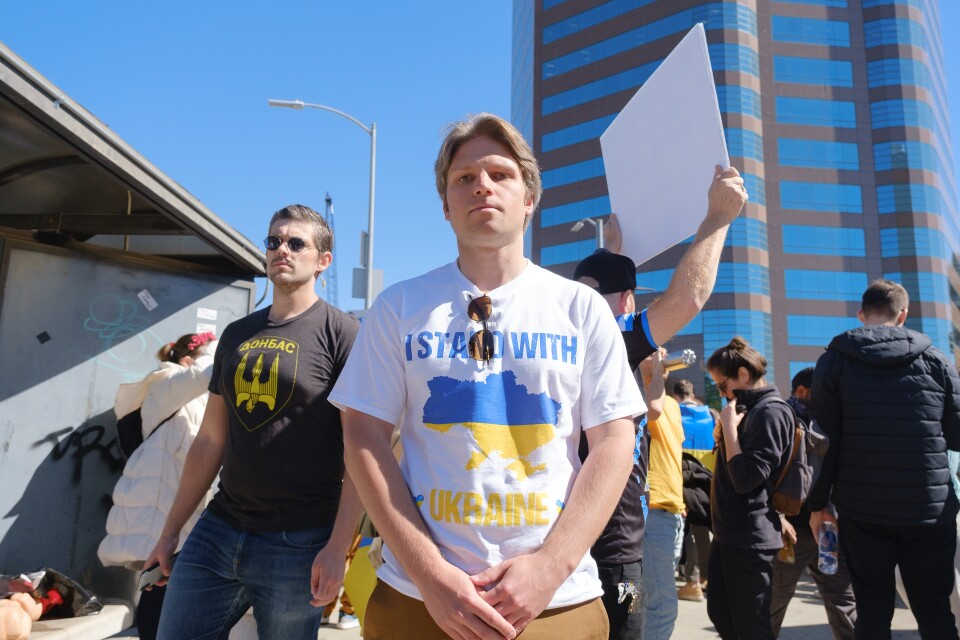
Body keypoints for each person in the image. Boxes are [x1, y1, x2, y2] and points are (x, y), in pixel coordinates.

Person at [329, 112, 748, 640]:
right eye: (464, 178)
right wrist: (430, 574)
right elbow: (363, 436)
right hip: (418, 600)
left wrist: (550, 567)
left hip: (556, 603)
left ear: (529, 198)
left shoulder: (581, 309)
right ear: (445, 205)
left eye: (500, 174)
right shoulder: (398, 308)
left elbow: (615, 440)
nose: (481, 184)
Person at [145, 204, 362, 640]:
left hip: (298, 542)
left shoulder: (343, 333)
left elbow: (361, 452)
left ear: (323, 261)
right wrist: (170, 532)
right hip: (218, 529)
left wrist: (338, 547)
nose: (282, 249)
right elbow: (209, 440)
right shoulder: (236, 334)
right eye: (274, 241)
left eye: (296, 243)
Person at [570, 161, 748, 639]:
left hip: (566, 537)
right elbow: (688, 298)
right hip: (610, 545)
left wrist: (611, 253)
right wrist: (719, 218)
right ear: (628, 300)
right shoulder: (609, 335)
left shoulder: (564, 332)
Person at [808, 279, 960, 639]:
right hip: (929, 509)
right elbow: (956, 436)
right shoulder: (937, 361)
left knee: (873, 613)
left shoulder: (833, 362)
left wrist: (819, 505)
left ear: (862, 315)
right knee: (936, 614)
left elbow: (824, 443)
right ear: (903, 315)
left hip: (863, 510)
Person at [97, 332, 218, 640]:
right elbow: (207, 373)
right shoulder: (165, 383)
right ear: (187, 359)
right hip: (155, 510)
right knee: (156, 590)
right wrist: (223, 346)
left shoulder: (193, 397)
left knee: (171, 594)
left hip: (175, 507)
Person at [706, 337, 794, 640]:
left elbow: (747, 479)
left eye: (722, 385)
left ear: (743, 375)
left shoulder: (771, 412)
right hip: (732, 533)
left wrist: (730, 430)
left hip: (749, 538)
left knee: (750, 627)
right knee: (721, 613)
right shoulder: (748, 410)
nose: (721, 393)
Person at [769, 367, 855, 640]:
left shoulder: (832, 424)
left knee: (842, 601)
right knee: (772, 603)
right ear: (801, 392)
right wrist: (777, 517)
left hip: (827, 532)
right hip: (789, 534)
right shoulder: (781, 424)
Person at [638, 351, 685, 640]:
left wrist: (680, 505)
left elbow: (672, 458)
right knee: (663, 606)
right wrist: (653, 370)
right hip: (652, 511)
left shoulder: (673, 404)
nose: (661, 356)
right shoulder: (638, 396)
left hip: (672, 513)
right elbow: (650, 409)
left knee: (650, 602)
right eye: (652, 351)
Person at [673, 379, 715, 603]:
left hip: (682, 473)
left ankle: (692, 581)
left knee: (686, 526)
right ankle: (706, 578)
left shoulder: (674, 411)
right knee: (701, 529)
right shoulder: (710, 413)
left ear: (676, 395)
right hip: (707, 475)